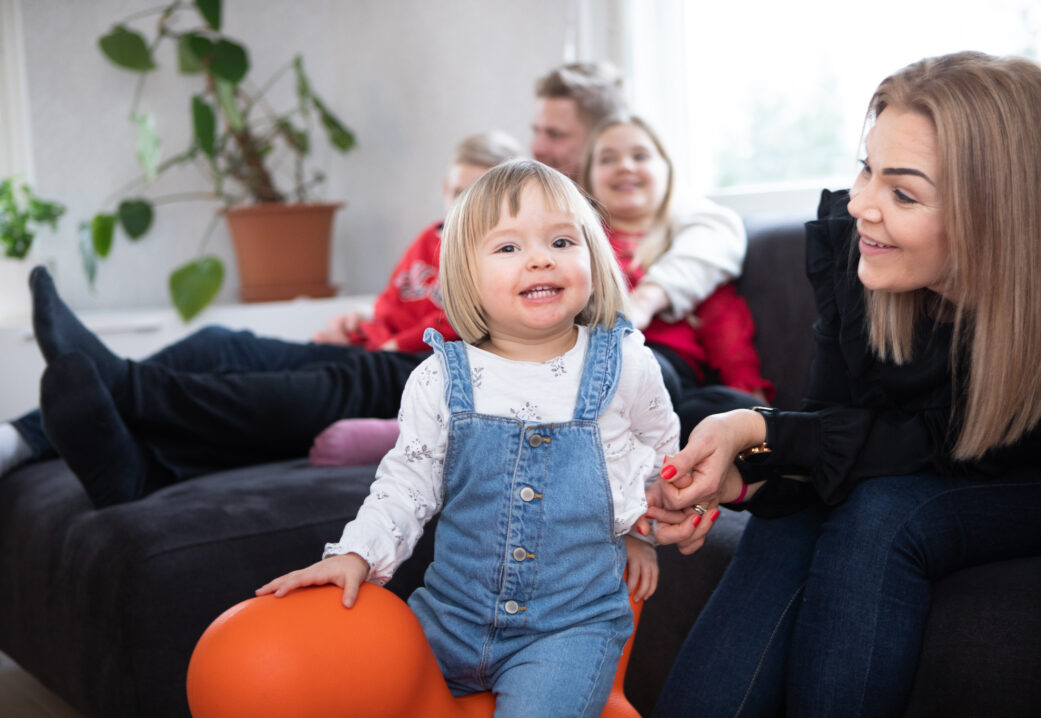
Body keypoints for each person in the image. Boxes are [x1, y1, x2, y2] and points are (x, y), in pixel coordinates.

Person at [639, 52, 1041, 717]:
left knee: (881, 514)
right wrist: (743, 473)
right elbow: (836, 439)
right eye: (867, 169)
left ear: (1000, 215)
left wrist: (759, 429)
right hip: (924, 460)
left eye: (903, 193)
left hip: (1038, 471)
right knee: (800, 516)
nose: (860, 204)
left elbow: (940, 441)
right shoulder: (860, 261)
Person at [256, 159, 680, 716]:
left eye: (560, 240)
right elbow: (405, 484)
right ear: (464, 275)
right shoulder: (439, 378)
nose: (538, 258)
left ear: (593, 258)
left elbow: (659, 451)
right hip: (448, 622)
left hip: (568, 633)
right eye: (507, 248)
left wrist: (638, 529)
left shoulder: (625, 363)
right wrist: (357, 554)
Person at [16, 131, 521, 505]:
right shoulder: (430, 239)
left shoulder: (498, 249)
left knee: (326, 382)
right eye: (456, 192)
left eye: (476, 197)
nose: (461, 207)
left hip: (420, 363)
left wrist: (395, 342)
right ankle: (36, 439)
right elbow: (396, 298)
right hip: (373, 347)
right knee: (220, 345)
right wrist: (365, 321)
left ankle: (125, 387)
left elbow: (467, 314)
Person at [580, 114, 773, 437]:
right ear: (588, 179)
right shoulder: (581, 245)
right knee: (639, 365)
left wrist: (747, 388)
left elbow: (725, 328)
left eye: (640, 156)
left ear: (667, 173)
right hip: (601, 368)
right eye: (608, 159)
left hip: (677, 381)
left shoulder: (687, 250)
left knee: (739, 412)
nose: (625, 166)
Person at [531, 63, 748, 342]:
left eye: (555, 134)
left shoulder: (654, 198)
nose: (536, 146)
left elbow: (720, 232)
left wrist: (644, 300)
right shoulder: (537, 193)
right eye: (536, 130)